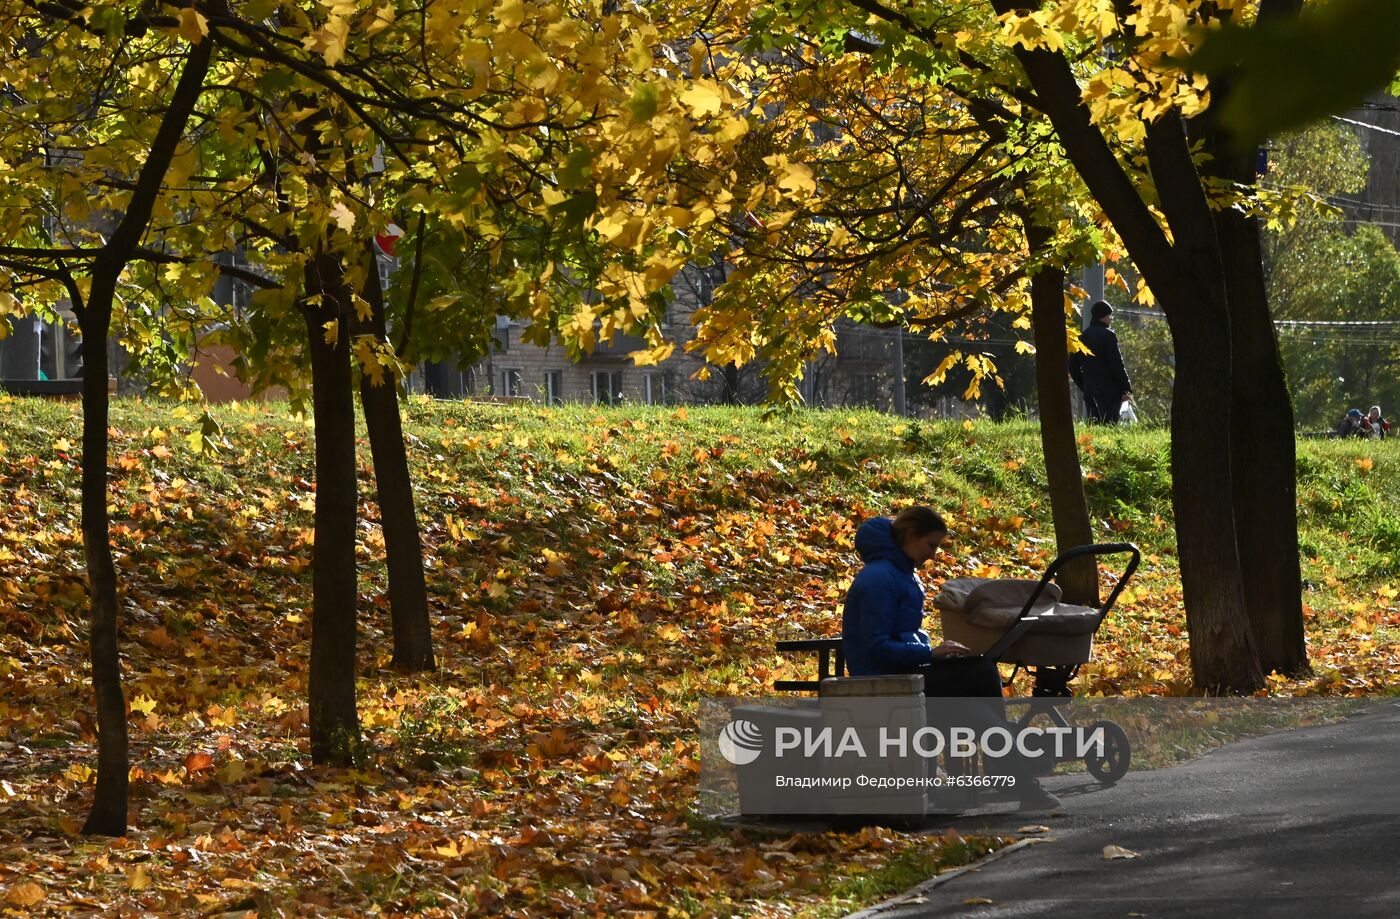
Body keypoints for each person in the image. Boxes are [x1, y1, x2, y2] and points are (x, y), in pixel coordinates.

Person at [841, 506, 1061, 810]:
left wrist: (933, 653)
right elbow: (877, 648)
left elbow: (902, 635)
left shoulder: (900, 573)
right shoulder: (879, 579)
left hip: (906, 672)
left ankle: (1006, 771)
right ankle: (1021, 780)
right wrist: (929, 653)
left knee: (982, 669)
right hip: (882, 681)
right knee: (971, 707)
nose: (932, 554)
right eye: (930, 545)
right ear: (909, 536)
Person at [1068, 300, 1133, 424]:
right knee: (1109, 425)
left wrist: (1084, 385)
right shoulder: (1108, 336)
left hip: (1090, 391)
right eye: (1109, 315)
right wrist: (1126, 388)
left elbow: (1072, 366)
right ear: (1103, 316)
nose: (1111, 318)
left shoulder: (1081, 337)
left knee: (1094, 427)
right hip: (1110, 392)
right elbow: (1117, 364)